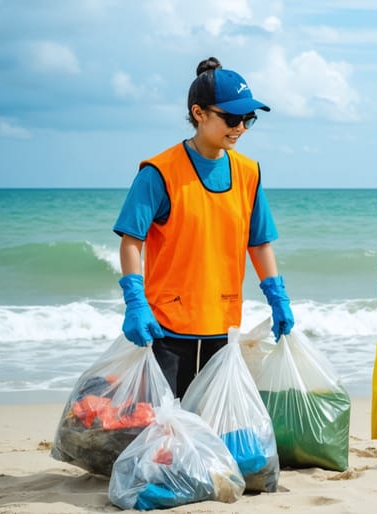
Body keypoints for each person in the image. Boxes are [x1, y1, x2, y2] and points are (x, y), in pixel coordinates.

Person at [113, 57, 294, 398]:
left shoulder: (248, 172)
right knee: (162, 429)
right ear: (199, 113)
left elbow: (259, 244)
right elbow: (131, 241)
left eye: (248, 119)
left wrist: (278, 298)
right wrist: (134, 302)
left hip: (223, 327)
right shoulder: (159, 172)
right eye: (231, 118)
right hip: (166, 328)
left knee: (213, 428)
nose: (240, 127)